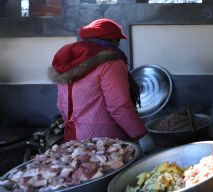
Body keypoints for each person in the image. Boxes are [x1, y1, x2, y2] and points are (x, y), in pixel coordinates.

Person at [48, 18, 153, 151]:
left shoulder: (67, 62)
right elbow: (119, 106)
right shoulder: (110, 62)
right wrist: (141, 134)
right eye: (118, 40)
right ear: (113, 40)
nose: (118, 45)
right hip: (105, 141)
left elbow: (62, 105)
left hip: (72, 137)